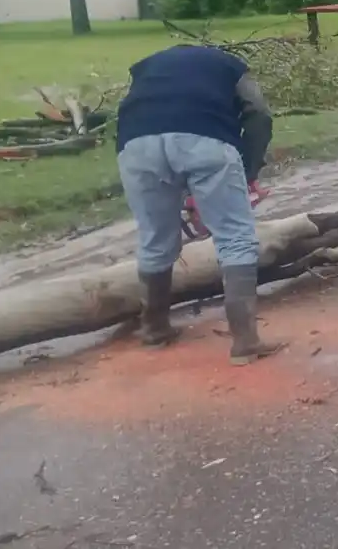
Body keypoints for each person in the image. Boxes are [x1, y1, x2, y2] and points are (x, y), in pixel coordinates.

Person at [115, 44, 277, 365]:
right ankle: (245, 341)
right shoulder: (231, 66)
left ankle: (154, 329)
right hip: (206, 141)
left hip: (136, 145)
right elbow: (259, 113)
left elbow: (132, 111)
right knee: (235, 238)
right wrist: (250, 170)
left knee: (154, 238)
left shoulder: (146, 67)